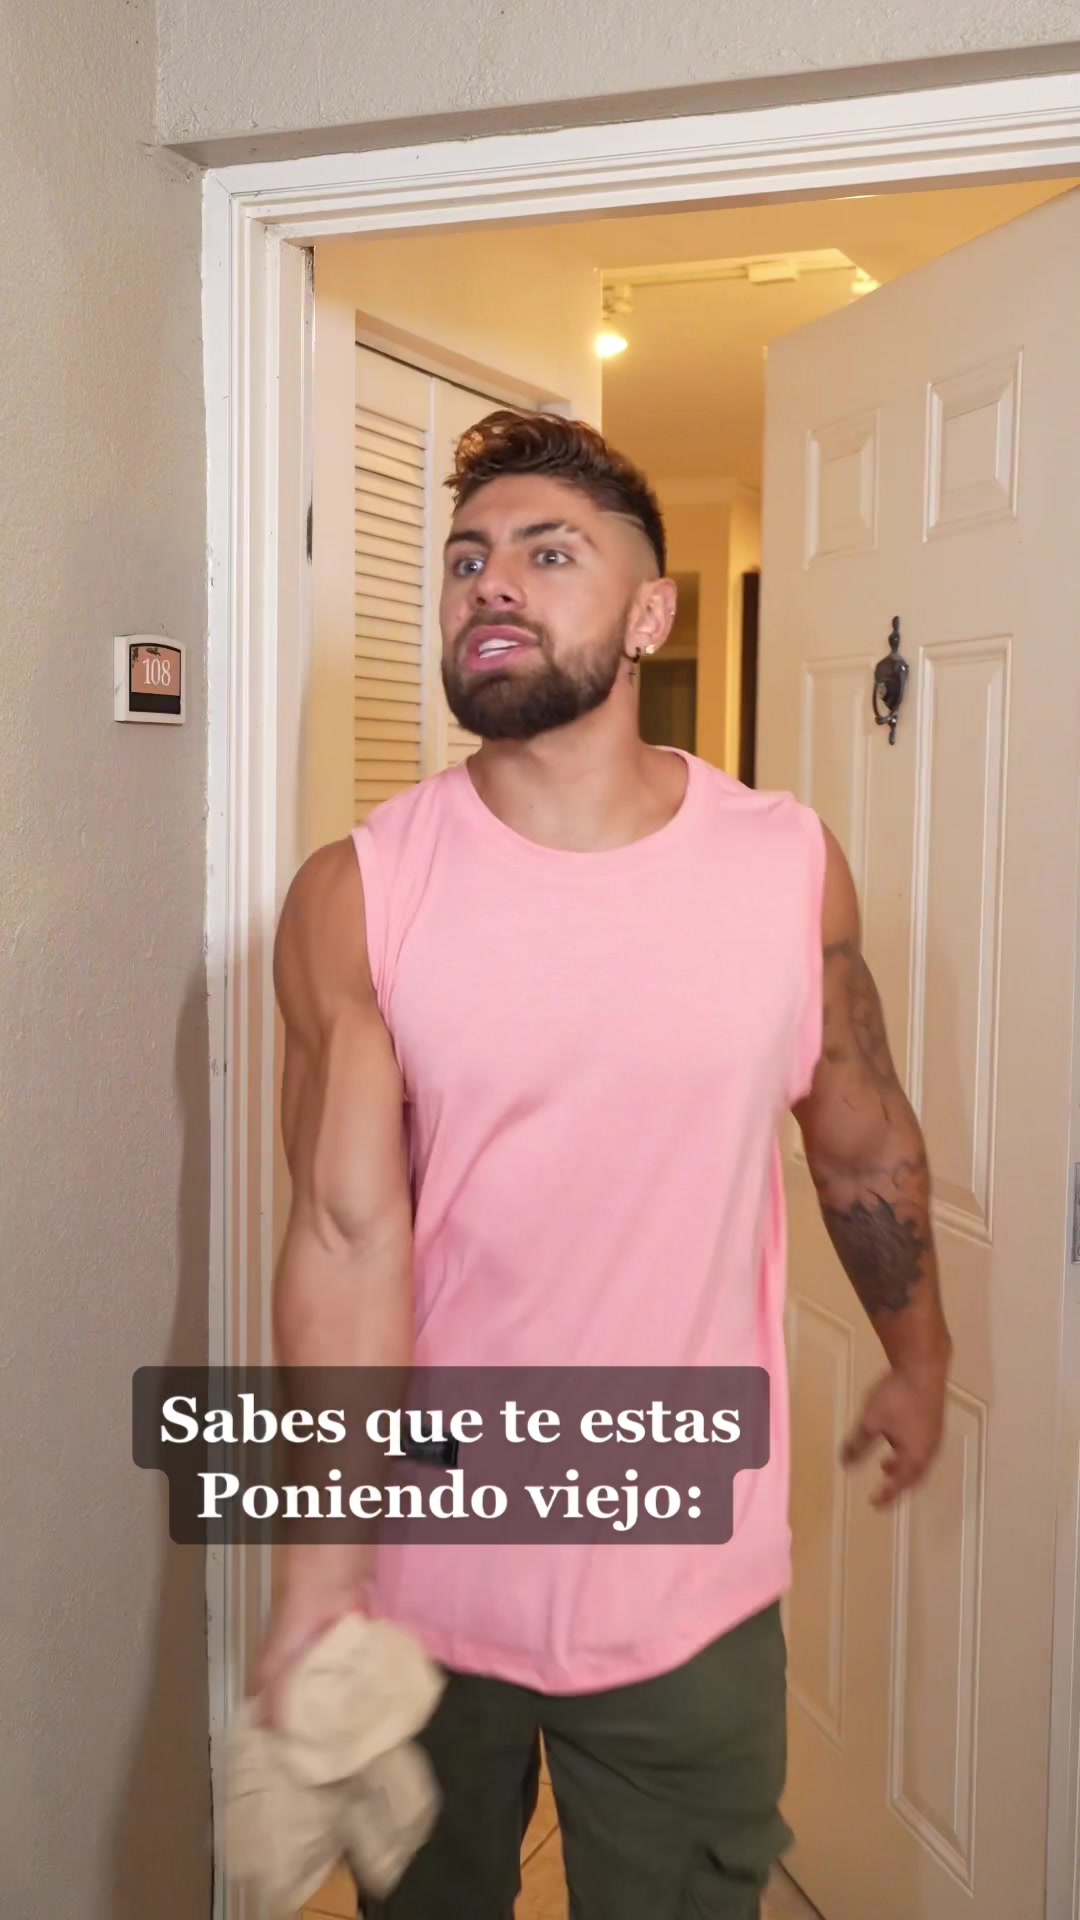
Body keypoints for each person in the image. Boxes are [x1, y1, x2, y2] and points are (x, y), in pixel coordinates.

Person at [257, 411, 952, 1918]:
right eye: (467, 560)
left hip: (685, 1586)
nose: (492, 584)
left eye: (548, 553)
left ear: (650, 616)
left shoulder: (784, 868)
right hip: (428, 1576)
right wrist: (318, 1564)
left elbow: (861, 1143)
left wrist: (918, 1356)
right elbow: (342, 1239)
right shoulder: (358, 894)